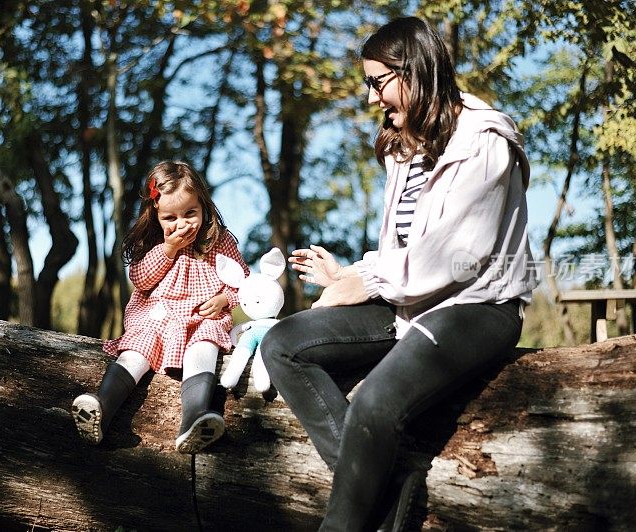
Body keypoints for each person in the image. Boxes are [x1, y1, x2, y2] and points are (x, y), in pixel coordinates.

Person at [260, 16, 539, 531]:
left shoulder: (485, 142)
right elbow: (404, 249)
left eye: (377, 82)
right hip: (408, 303)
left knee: (374, 400)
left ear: (414, 71)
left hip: (478, 305)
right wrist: (351, 272)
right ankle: (390, 493)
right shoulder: (403, 145)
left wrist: (364, 282)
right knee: (281, 343)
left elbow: (459, 254)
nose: (372, 99)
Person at [71, 160, 248, 454]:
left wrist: (225, 300)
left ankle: (194, 418)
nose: (181, 224)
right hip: (157, 314)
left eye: (190, 213)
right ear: (156, 214)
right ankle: (101, 406)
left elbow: (243, 281)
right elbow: (140, 279)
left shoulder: (218, 240)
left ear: (204, 205)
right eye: (170, 218)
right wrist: (169, 249)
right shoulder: (153, 240)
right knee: (137, 350)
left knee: (203, 348)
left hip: (200, 317)